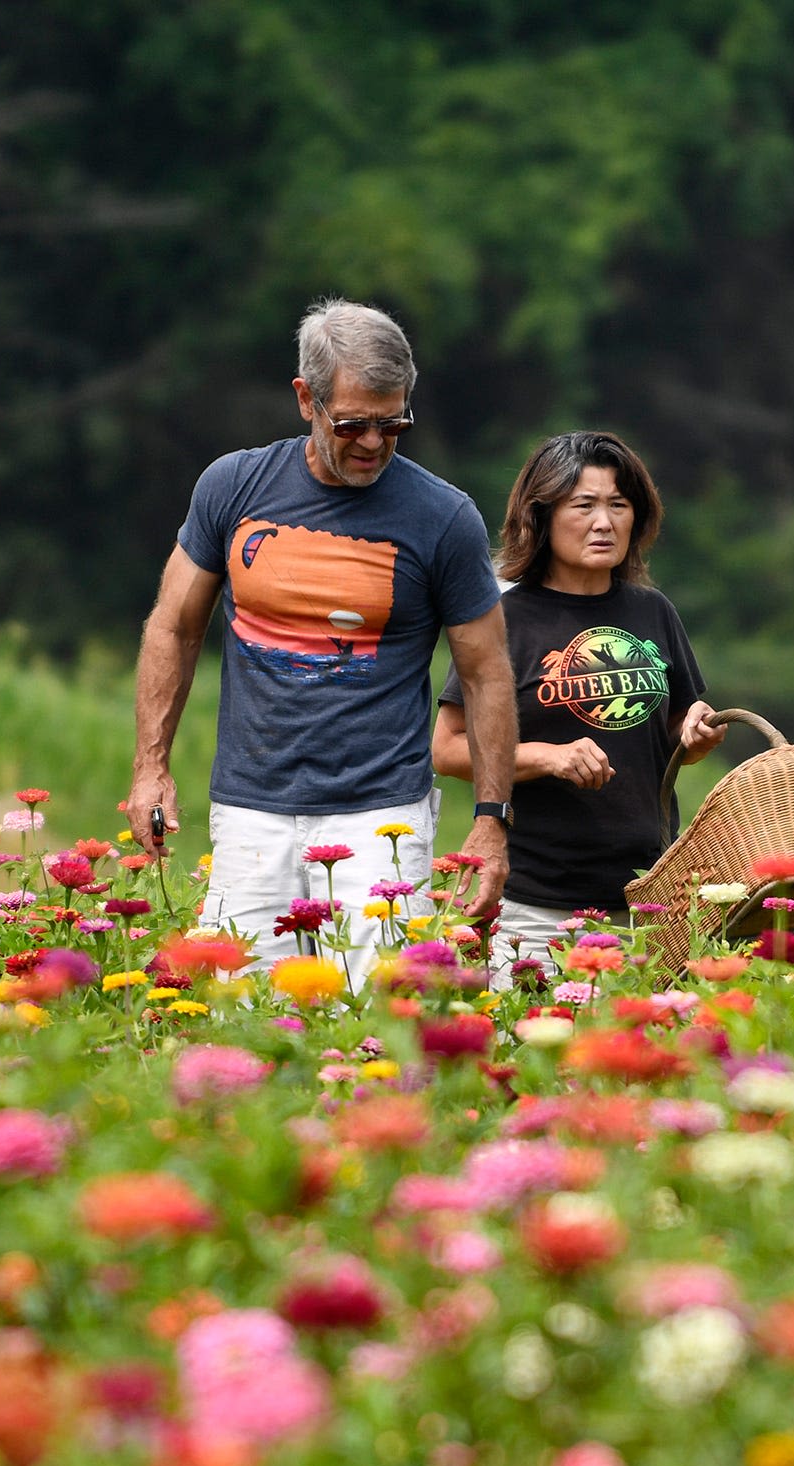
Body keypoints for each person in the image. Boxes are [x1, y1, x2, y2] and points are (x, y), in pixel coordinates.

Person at [123, 299, 516, 969]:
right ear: (306, 399)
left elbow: (486, 674)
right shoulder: (233, 487)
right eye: (354, 423)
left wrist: (491, 819)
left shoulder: (443, 516)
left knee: (380, 1024)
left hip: (381, 816)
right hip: (252, 807)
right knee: (243, 1014)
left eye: (393, 423)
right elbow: (173, 625)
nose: (373, 443)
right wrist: (150, 765)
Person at [433, 431, 723, 979]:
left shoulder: (652, 611)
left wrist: (696, 736)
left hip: (652, 902)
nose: (604, 522)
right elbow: (447, 749)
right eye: (584, 505)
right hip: (539, 909)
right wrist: (547, 757)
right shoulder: (504, 619)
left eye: (619, 504)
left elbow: (669, 740)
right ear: (541, 516)